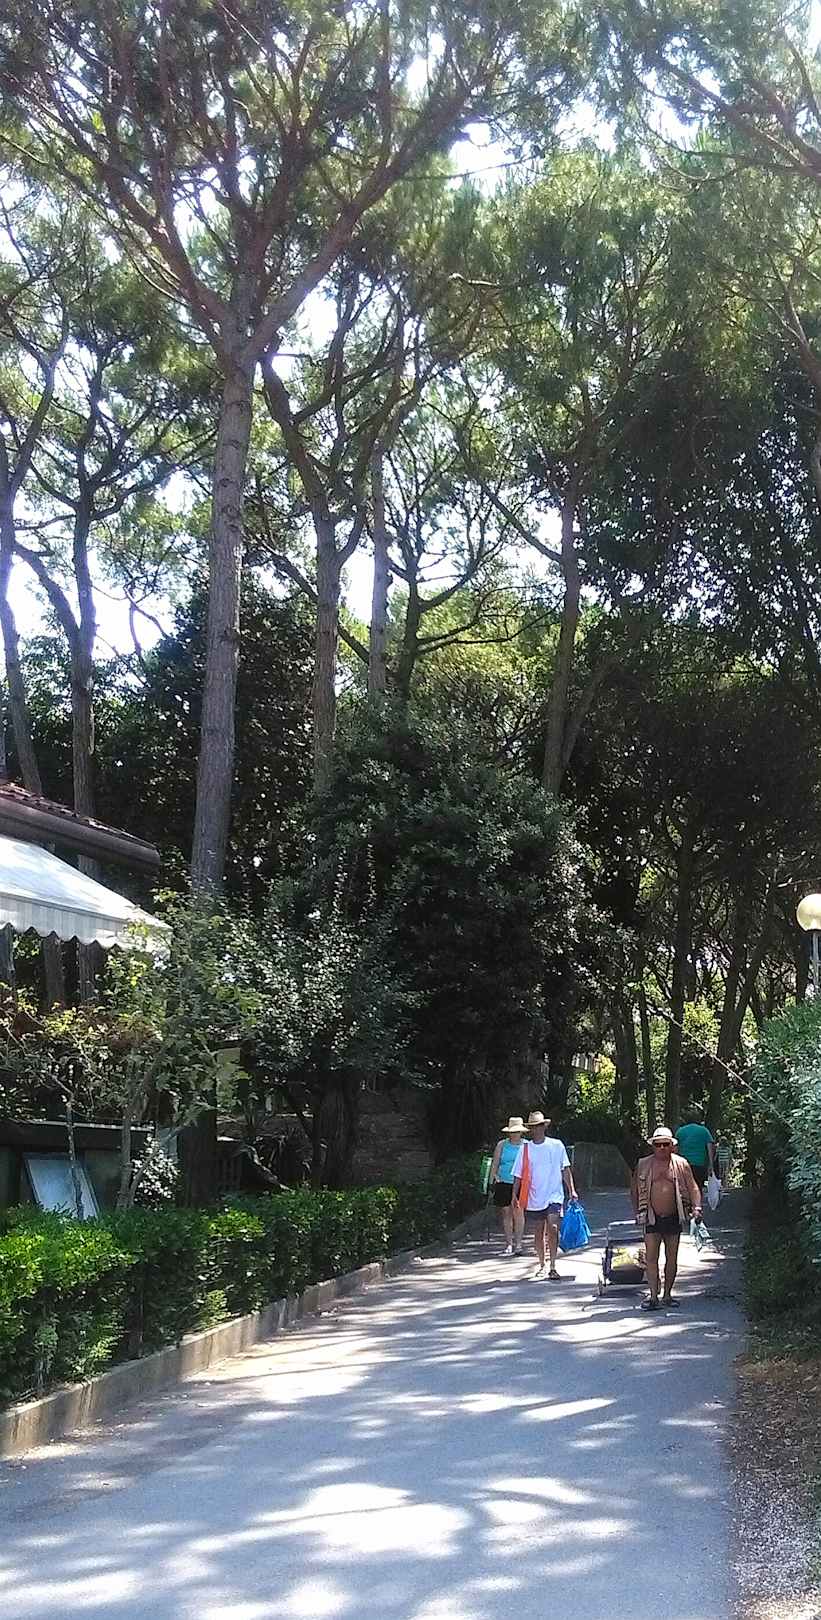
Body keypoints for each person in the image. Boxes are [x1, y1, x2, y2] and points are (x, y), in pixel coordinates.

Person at [633, 1126, 702, 1311]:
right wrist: (636, 1212)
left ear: (672, 1145)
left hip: (673, 1216)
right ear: (653, 1146)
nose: (662, 1148)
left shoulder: (681, 1164)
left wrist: (696, 1207)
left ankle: (667, 1295)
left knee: (672, 1258)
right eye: (658, 1145)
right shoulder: (644, 1164)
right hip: (651, 1216)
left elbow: (693, 1187)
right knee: (651, 1257)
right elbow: (634, 1190)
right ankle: (653, 1296)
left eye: (665, 1144)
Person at [512, 1111, 577, 1281]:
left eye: (539, 1126)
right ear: (530, 1129)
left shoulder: (557, 1145)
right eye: (534, 1127)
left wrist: (572, 1190)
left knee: (553, 1228)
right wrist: (514, 1195)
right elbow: (518, 1174)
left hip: (554, 1195)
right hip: (534, 1196)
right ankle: (542, 1264)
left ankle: (553, 1266)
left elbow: (565, 1169)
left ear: (544, 1127)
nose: (537, 1129)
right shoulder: (525, 1149)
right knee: (539, 1230)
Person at [489, 1116, 527, 1255]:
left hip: (520, 1182)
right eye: (512, 1132)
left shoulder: (526, 1145)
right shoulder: (502, 1145)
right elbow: (495, 1162)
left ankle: (519, 1244)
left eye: (517, 1131)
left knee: (518, 1212)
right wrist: (493, 1178)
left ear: (521, 1132)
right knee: (506, 1212)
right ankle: (509, 1243)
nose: (515, 1134)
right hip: (503, 1181)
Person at [674, 1107, 716, 1192]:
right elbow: (710, 1148)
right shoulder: (704, 1131)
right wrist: (711, 1165)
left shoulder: (680, 1131)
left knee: (685, 1188)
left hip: (683, 1164)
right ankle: (698, 1200)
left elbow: (675, 1149)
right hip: (699, 1164)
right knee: (698, 1187)